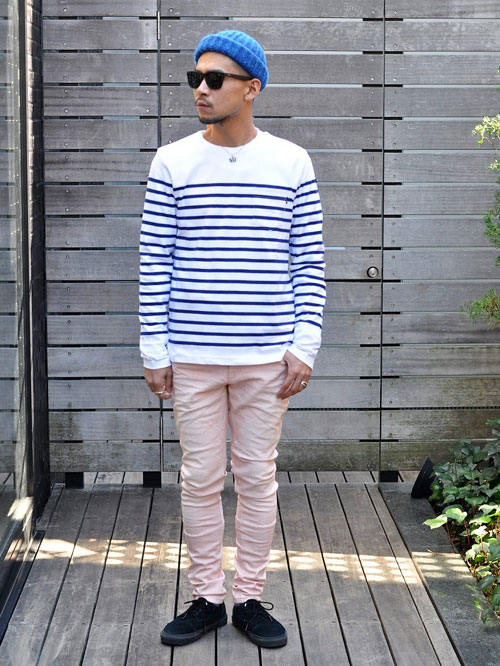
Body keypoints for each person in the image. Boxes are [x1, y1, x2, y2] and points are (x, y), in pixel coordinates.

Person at [138, 29, 325, 649]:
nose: (201, 89)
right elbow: (155, 262)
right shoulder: (171, 161)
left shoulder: (291, 162)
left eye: (214, 79)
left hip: (267, 358)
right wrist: (154, 349)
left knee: (257, 478)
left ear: (252, 88)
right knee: (198, 478)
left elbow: (308, 263)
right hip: (191, 355)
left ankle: (248, 597)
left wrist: (304, 344)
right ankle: (207, 599)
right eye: (195, 78)